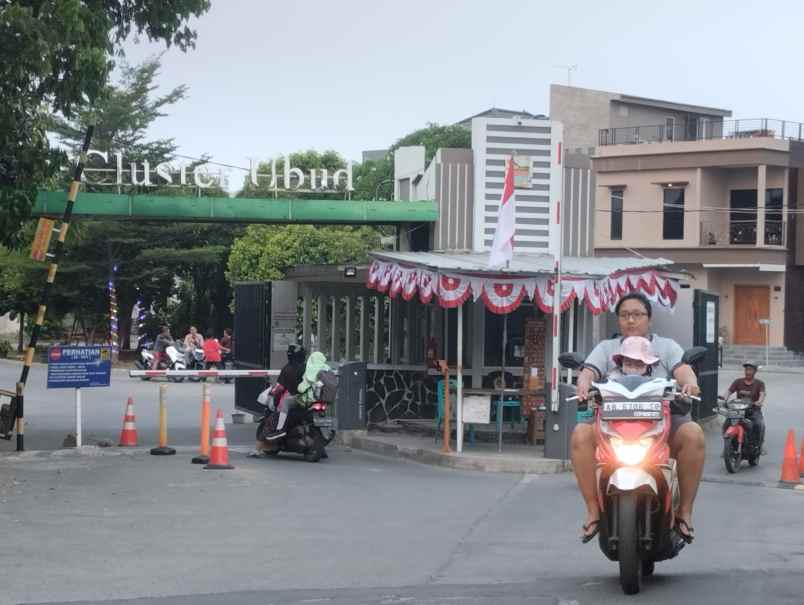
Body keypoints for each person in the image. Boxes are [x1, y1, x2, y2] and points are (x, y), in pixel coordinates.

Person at [572, 292, 703, 545]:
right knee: (580, 433)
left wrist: (690, 384)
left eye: (637, 315)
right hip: (613, 427)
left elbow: (683, 370)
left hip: (662, 423)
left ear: (649, 319)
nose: (631, 320)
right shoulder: (607, 348)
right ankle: (592, 510)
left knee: (693, 433)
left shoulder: (666, 346)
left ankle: (684, 511)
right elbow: (588, 371)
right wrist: (583, 385)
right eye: (624, 315)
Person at [262, 346, 306, 440]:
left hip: (297, 397)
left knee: (285, 403)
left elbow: (280, 387)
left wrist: (273, 394)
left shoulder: (287, 368)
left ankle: (280, 429)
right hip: (308, 398)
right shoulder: (306, 367)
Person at [722, 362, 766, 450]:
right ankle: (727, 445)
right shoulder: (738, 381)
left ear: (755, 372)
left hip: (753, 410)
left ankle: (757, 446)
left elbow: (762, 394)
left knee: (758, 424)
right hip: (738, 411)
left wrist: (759, 401)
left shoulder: (759, 383)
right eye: (746, 370)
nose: (748, 372)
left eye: (750, 370)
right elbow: (729, 391)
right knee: (726, 424)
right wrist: (724, 399)